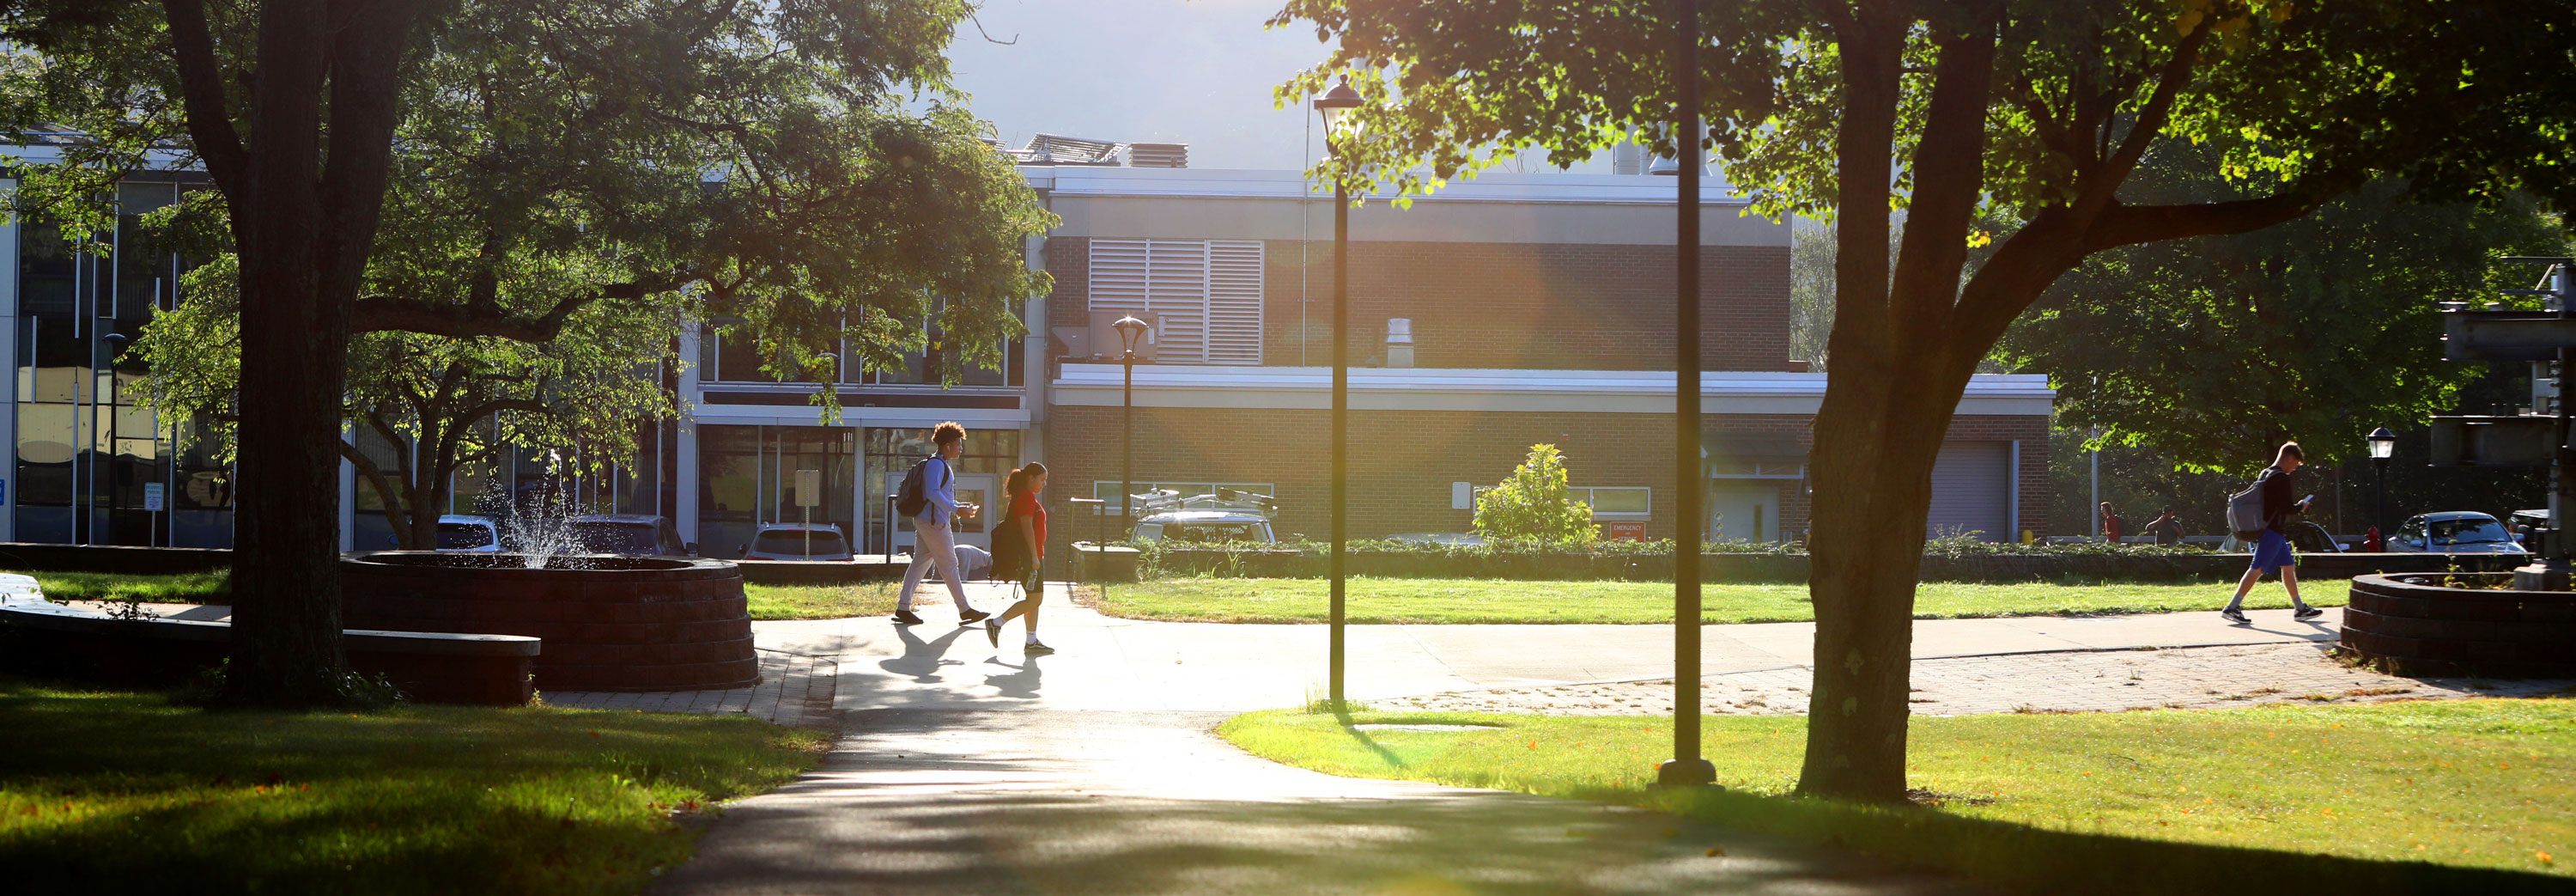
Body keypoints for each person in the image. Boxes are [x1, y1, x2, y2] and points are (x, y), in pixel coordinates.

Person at [892, 422, 986, 626]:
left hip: (929, 522)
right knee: (950, 565)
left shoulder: (940, 464)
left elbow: (938, 495)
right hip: (934, 524)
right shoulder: (937, 465)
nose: (960, 448)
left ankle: (903, 607)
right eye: (958, 444)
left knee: (920, 564)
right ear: (946, 445)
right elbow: (932, 493)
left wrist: (959, 506)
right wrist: (956, 508)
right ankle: (964, 609)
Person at [2222, 442, 2324, 625]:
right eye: (2296, 464)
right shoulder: (2281, 478)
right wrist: (2301, 506)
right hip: (2272, 531)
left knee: (2288, 566)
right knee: (2257, 568)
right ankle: (2232, 607)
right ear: (2289, 458)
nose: (2295, 468)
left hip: (2267, 527)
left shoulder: (2266, 473)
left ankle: (2300, 608)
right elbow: (2286, 508)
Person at [986, 461, 1053, 655]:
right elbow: (1026, 528)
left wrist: (1037, 554)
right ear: (1030, 478)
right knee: (1035, 600)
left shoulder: (1025, 496)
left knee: (1032, 599)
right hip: (1028, 557)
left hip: (1032, 555)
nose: (1044, 484)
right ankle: (996, 623)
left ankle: (1031, 641)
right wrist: (1033, 557)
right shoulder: (1026, 497)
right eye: (1042, 480)